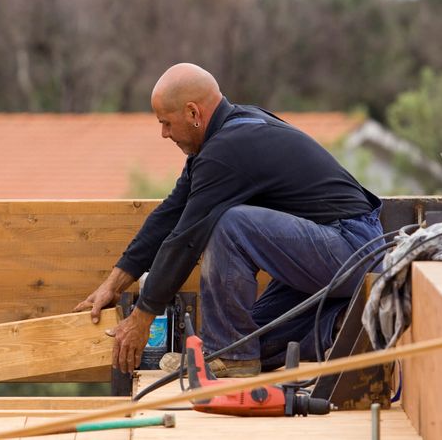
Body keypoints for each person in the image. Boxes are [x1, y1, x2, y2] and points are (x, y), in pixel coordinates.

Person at [74, 63, 384, 377]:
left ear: (193, 113)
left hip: (352, 249)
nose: (164, 133)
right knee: (249, 339)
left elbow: (186, 239)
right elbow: (169, 216)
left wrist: (142, 319)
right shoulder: (220, 141)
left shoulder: (228, 149)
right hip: (338, 253)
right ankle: (341, 323)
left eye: (166, 123)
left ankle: (231, 360)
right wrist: (111, 286)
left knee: (229, 225)